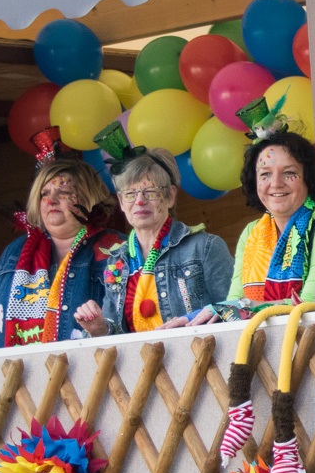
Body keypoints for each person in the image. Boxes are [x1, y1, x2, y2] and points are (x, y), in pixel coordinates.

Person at [0, 128, 122, 351]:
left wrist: (103, 329)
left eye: (64, 192)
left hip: (93, 368)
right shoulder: (15, 252)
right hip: (19, 371)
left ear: (89, 197)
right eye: (44, 194)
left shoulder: (116, 248)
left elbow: (133, 315)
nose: (51, 200)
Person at [73, 130, 232, 336]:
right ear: (121, 201)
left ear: (170, 196)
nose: (139, 201)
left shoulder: (205, 248)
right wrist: (99, 328)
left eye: (150, 192)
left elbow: (234, 309)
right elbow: (116, 334)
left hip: (197, 353)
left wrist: (193, 321)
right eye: (130, 194)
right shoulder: (116, 260)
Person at [200, 97, 315, 318]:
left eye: (289, 173)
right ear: (254, 181)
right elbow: (233, 301)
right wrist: (192, 317)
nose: (276, 183)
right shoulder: (250, 232)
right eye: (265, 174)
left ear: (309, 177)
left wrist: (242, 306)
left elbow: (309, 305)